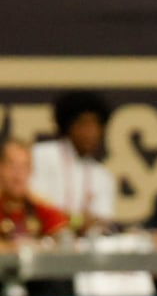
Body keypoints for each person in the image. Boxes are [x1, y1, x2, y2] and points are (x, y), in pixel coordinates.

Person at [29, 90, 115, 234]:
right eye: (84, 124)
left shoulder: (102, 176)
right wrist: (77, 221)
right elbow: (34, 205)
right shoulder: (41, 155)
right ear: (68, 127)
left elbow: (103, 222)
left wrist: (72, 221)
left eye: (96, 126)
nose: (91, 133)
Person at [0, 137, 70, 249]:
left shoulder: (38, 206)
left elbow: (64, 237)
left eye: (24, 167)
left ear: (30, 171)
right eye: (11, 165)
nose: (18, 175)